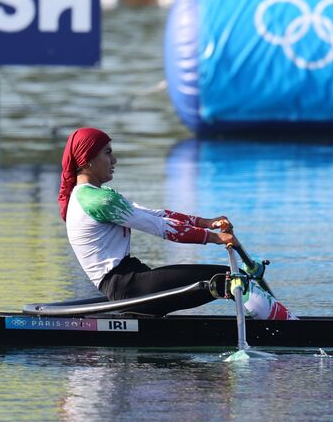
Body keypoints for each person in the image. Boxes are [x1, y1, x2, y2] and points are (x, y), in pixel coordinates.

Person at [59, 127, 293, 318]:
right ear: (87, 159)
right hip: (127, 287)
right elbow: (161, 228)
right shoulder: (98, 199)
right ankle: (286, 329)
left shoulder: (90, 196)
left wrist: (207, 222)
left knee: (227, 279)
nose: (115, 159)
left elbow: (157, 214)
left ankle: (273, 322)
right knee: (229, 279)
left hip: (130, 282)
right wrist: (214, 238)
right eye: (107, 153)